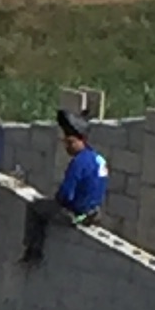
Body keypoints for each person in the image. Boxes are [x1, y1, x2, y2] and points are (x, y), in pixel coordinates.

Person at [22, 109, 110, 262]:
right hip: (94, 212)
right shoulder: (98, 159)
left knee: (36, 208)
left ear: (81, 140)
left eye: (70, 143)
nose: (67, 147)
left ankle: (33, 251)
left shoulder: (78, 163)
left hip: (77, 214)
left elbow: (66, 194)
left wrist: (56, 203)